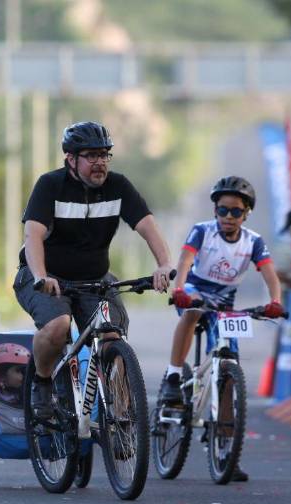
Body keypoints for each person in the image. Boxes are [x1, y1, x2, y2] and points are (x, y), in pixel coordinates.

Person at [13, 121, 172, 421]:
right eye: (91, 155)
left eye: (104, 155)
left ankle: (121, 412)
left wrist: (163, 264)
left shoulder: (118, 186)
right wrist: (40, 276)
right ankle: (43, 382)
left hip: (96, 281)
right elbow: (32, 236)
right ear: (70, 159)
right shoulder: (50, 185)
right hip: (45, 278)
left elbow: (148, 227)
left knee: (112, 336)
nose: (100, 162)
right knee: (59, 325)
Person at [160, 176, 284, 482]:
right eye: (223, 211)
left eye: (236, 212)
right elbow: (185, 260)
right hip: (194, 290)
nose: (228, 217)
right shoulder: (203, 231)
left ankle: (227, 449)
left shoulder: (253, 241)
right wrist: (179, 289)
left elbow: (269, 273)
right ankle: (174, 374)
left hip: (225, 304)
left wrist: (275, 301)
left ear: (246, 214)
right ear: (215, 210)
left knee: (230, 371)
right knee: (191, 311)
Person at [0, 343, 30, 407]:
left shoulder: (27, 396)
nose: (24, 376)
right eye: (18, 371)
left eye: (25, 371)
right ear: (1, 375)